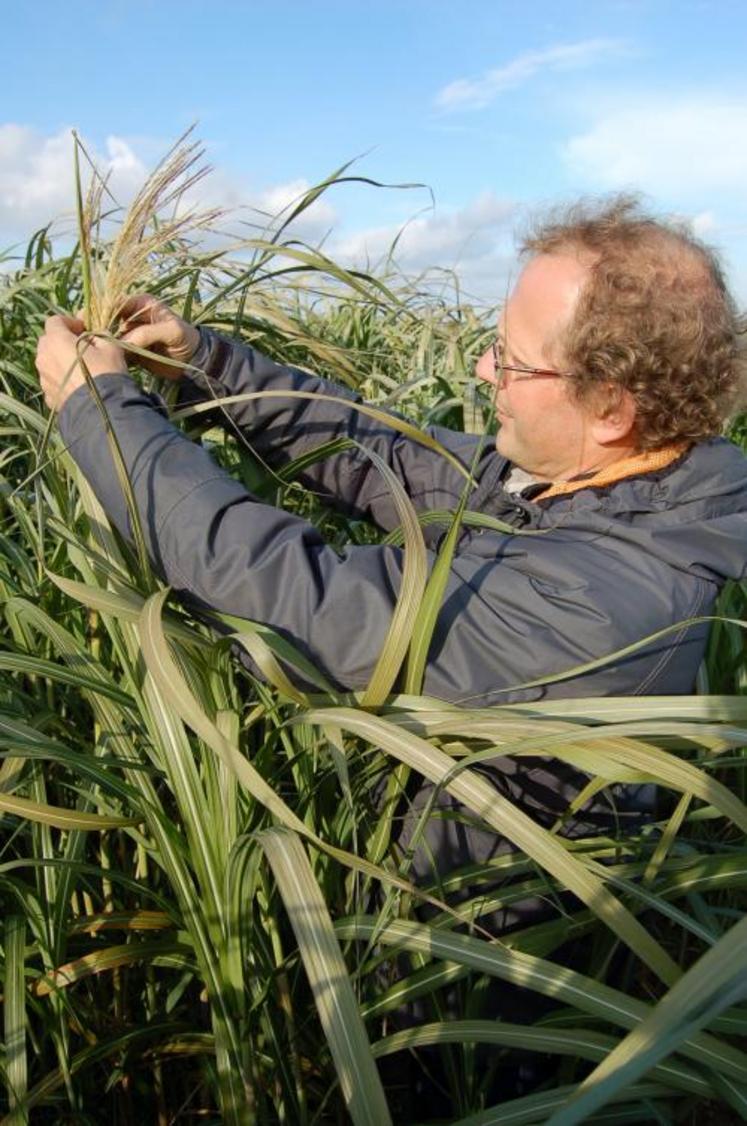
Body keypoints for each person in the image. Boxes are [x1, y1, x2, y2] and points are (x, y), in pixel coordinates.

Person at [35, 196, 747, 869]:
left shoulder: (600, 602)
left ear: (609, 408)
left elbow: (288, 595)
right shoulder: (584, 482)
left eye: (510, 358)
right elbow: (379, 451)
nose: (480, 368)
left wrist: (100, 411)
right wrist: (207, 365)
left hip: (482, 956)